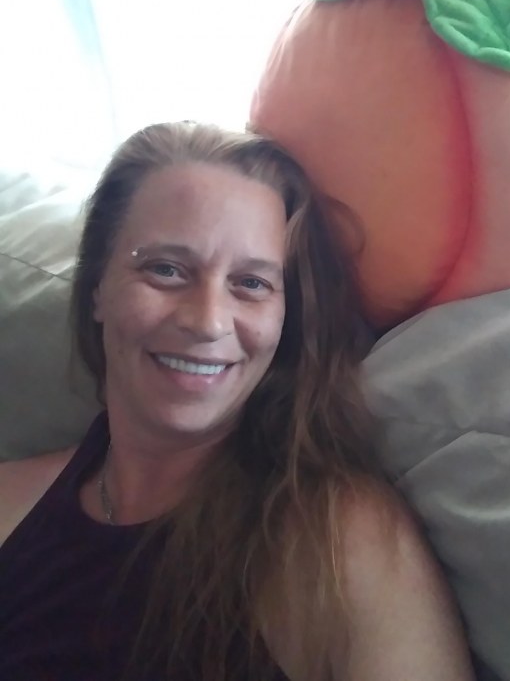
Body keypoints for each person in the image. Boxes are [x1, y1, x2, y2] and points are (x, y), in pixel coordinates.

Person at [0, 121, 474, 681]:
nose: (207, 322)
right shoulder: (12, 502)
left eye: (251, 284)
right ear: (98, 287)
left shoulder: (336, 541)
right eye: (166, 270)